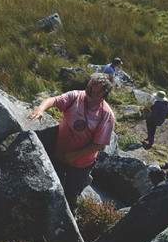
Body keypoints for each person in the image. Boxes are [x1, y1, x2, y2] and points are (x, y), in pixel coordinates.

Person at [29, 73, 116, 210]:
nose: (89, 91)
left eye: (95, 90)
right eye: (89, 87)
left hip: (80, 164)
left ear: (103, 93)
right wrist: (41, 109)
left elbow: (99, 145)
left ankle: (69, 215)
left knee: (70, 195)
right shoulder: (76, 96)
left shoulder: (106, 115)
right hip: (59, 153)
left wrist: (74, 155)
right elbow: (54, 100)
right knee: (49, 186)